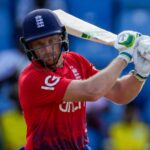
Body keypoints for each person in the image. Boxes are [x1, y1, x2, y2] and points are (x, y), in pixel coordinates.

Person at [19, 8, 150, 149]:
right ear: (28, 46)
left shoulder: (76, 61)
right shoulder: (31, 78)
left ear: (61, 37)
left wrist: (141, 72)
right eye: (39, 44)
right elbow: (91, 91)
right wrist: (125, 56)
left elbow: (119, 93)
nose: (47, 50)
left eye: (51, 41)